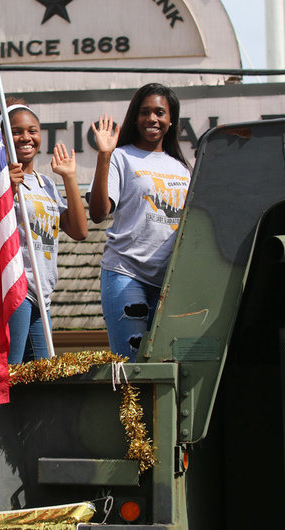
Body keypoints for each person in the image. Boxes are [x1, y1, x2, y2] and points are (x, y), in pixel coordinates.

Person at [87, 83, 191, 361]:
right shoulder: (121, 157)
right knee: (131, 365)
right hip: (126, 273)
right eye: (145, 112)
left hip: (170, 281)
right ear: (135, 118)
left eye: (160, 113)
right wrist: (104, 156)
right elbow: (98, 213)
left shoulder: (181, 167)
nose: (152, 119)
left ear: (171, 120)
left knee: (165, 364)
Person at [6, 98, 88, 364]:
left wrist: (69, 177)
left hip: (42, 294)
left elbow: (79, 231)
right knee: (8, 376)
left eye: (32, 131)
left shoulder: (46, 184)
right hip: (13, 291)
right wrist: (2, 187)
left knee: (42, 377)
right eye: (16, 131)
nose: (25, 137)